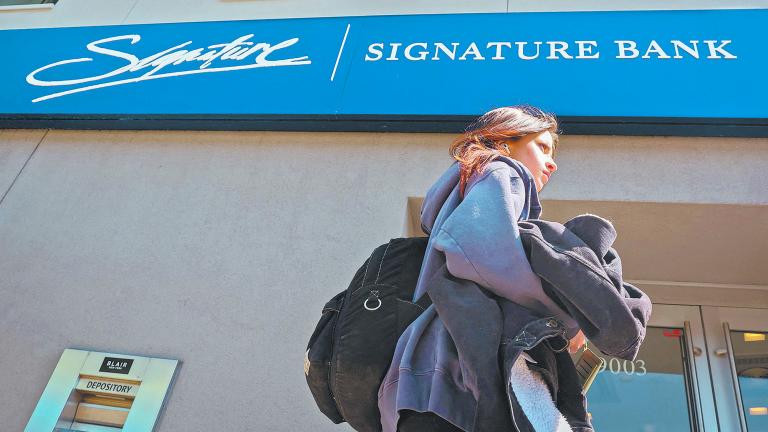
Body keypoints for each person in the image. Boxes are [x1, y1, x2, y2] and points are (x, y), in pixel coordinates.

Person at [378, 105, 598, 432]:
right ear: (506, 141)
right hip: (464, 373)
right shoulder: (504, 172)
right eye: (542, 147)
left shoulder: (463, 187)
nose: (552, 163)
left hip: (422, 377)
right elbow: (480, 254)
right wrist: (566, 316)